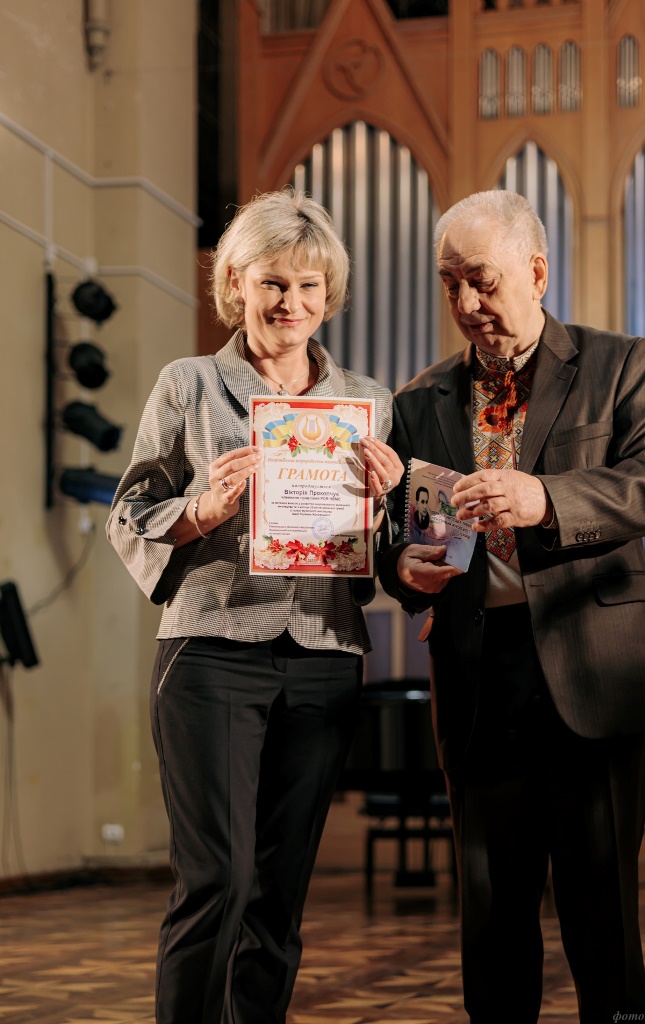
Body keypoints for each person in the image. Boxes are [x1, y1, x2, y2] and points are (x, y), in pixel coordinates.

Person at [378, 190, 645, 1023]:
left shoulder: (619, 363)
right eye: (449, 283)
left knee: (602, 913)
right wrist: (404, 566)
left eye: (481, 280)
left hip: (595, 664)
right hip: (480, 674)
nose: (465, 302)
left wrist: (544, 498)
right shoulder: (418, 401)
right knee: (492, 912)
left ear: (537, 272)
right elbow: (398, 539)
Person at [106, 189, 403, 1024]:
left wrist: (388, 506)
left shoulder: (370, 404)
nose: (290, 304)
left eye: (309, 286)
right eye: (272, 282)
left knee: (279, 894)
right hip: (210, 653)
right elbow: (128, 513)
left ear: (330, 293)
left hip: (326, 656)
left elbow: (391, 552)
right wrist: (201, 510)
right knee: (218, 881)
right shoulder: (189, 385)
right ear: (235, 283)